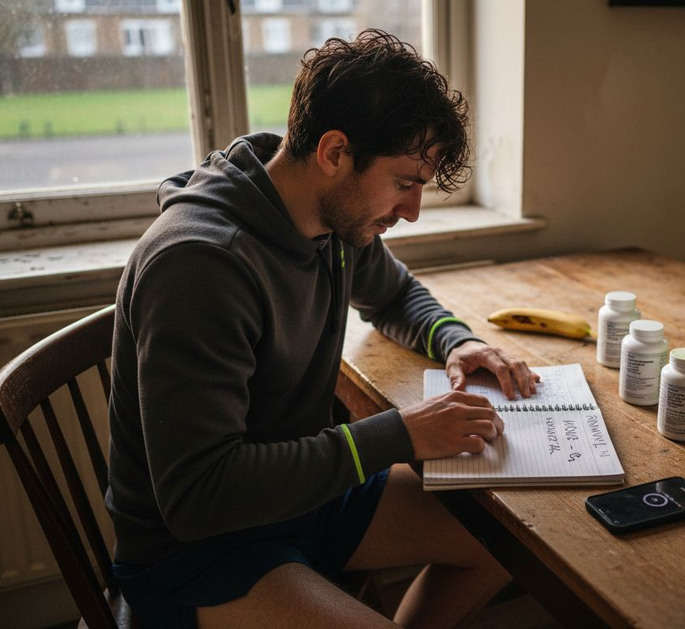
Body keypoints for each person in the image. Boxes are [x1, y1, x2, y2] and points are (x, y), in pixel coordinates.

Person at [105, 29, 540, 628]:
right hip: (199, 553)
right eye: (405, 182)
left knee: (514, 542)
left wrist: (457, 339)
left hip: (303, 501)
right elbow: (199, 498)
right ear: (335, 152)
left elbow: (394, 294)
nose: (412, 210)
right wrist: (398, 435)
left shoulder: (329, 217)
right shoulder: (200, 265)